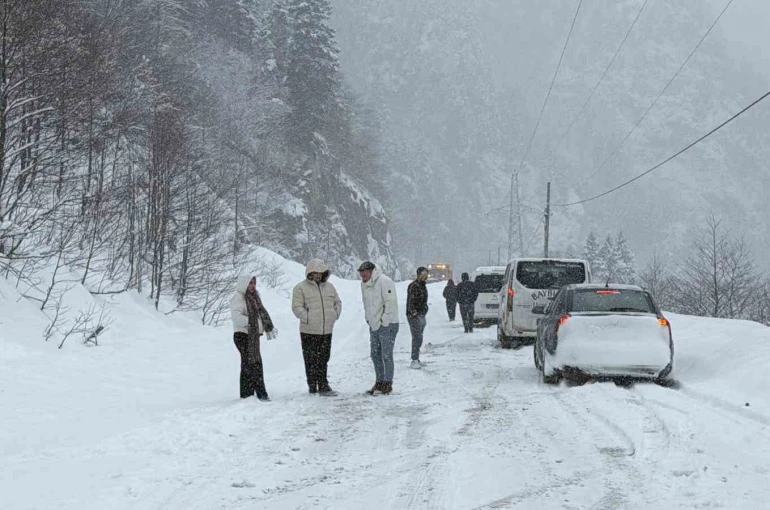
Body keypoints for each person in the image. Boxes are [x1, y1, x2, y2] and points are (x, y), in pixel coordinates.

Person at [291, 259, 342, 396]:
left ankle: (323, 384)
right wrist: (307, 318)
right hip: (309, 330)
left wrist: (335, 314)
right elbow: (296, 307)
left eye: (321, 273)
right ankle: (312, 385)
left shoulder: (330, 287)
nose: (318, 276)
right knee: (310, 359)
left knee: (324, 358)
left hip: (326, 330)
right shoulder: (300, 288)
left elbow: (337, 302)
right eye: (315, 273)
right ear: (310, 273)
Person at [230, 274, 276, 401]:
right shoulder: (238, 298)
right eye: (250, 283)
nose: (252, 286)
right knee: (252, 364)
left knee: (250, 364)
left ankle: (247, 394)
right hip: (242, 335)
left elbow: (260, 315)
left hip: (252, 335)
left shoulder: (254, 298)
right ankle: (261, 393)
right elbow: (236, 317)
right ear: (243, 284)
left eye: (254, 283)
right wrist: (250, 322)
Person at [357, 261, 399, 395]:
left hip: (388, 324)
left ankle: (388, 382)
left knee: (386, 354)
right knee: (375, 354)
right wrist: (369, 319)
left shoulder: (384, 281)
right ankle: (379, 381)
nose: (362, 275)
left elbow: (391, 303)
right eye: (360, 273)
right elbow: (366, 303)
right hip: (374, 324)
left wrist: (384, 321)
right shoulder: (363, 285)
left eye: (364, 272)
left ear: (372, 271)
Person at [407, 266, 429, 368]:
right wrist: (414, 312)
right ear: (419, 274)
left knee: (419, 337)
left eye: (426, 274)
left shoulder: (423, 285)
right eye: (423, 274)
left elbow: (423, 300)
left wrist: (424, 310)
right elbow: (411, 301)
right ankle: (414, 360)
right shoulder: (414, 286)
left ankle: (417, 358)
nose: (425, 276)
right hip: (414, 316)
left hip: (421, 314)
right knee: (417, 337)